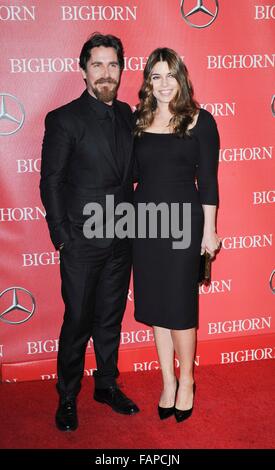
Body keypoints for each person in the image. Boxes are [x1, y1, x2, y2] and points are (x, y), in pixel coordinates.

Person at [40, 32, 139, 432]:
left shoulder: (127, 113)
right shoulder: (64, 118)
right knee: (78, 319)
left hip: (122, 238)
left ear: (121, 69)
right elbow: (51, 182)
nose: (105, 72)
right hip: (81, 240)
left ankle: (106, 385)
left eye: (112, 64)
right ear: (83, 70)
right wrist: (63, 236)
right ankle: (67, 395)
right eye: (97, 64)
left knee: (110, 319)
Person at [133, 48, 221, 422]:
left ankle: (186, 381)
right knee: (156, 310)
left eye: (171, 75)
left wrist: (211, 230)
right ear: (148, 83)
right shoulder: (138, 121)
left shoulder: (201, 121)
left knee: (181, 310)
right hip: (145, 224)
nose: (164, 84)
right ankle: (166, 381)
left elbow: (210, 183)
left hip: (184, 225)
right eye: (156, 76)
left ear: (181, 78)